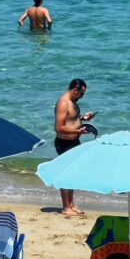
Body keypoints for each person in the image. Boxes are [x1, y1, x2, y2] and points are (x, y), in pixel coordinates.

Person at [54, 78, 95, 216]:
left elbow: (71, 119)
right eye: (81, 94)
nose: (82, 97)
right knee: (66, 174)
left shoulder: (73, 102)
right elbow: (59, 128)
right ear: (75, 90)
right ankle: (66, 207)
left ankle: (71, 204)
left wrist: (84, 118)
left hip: (73, 142)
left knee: (72, 173)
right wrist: (77, 131)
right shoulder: (63, 103)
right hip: (64, 143)